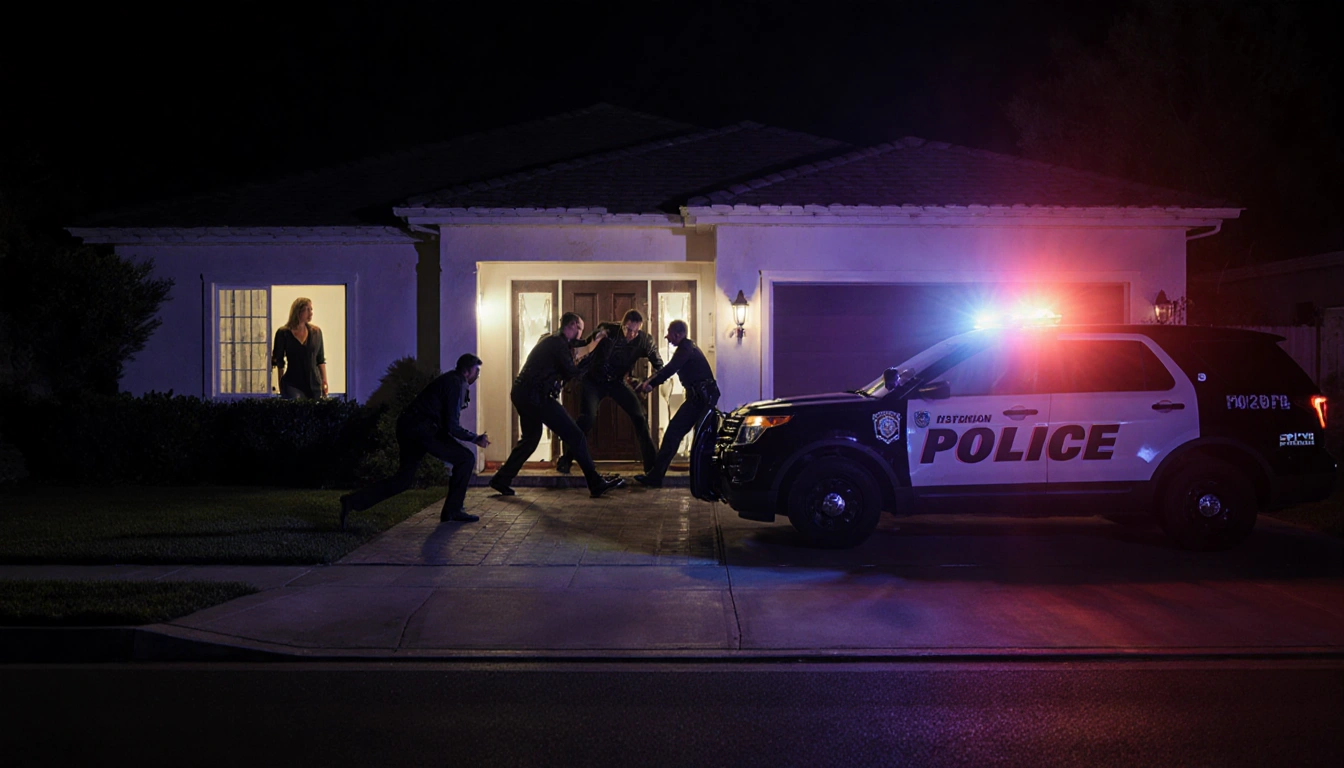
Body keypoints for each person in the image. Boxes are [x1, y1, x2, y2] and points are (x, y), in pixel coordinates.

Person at [339, 354, 489, 529]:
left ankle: (351, 502)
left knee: (403, 480)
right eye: (476, 371)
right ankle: (453, 510)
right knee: (466, 458)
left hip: (410, 427)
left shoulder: (450, 380)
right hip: (422, 429)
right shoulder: (456, 383)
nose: (477, 375)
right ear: (466, 371)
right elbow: (452, 426)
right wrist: (475, 438)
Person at [489, 312, 625, 499]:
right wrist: (593, 356)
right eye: (580, 329)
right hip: (537, 397)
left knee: (530, 439)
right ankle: (595, 482)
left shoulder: (554, 340)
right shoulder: (557, 344)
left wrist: (595, 338)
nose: (580, 335)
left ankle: (501, 479)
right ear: (571, 326)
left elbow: (580, 344)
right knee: (575, 435)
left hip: (524, 394)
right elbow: (573, 372)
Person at [555, 309, 664, 476]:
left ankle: (652, 468)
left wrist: (647, 382)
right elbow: (584, 344)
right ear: (622, 325)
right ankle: (566, 459)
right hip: (593, 380)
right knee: (587, 418)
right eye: (628, 329)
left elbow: (659, 366)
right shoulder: (608, 330)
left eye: (636, 330)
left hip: (616, 382)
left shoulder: (644, 340)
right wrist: (595, 338)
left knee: (639, 416)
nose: (631, 334)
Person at [635, 319, 719, 488]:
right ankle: (704, 479)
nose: (667, 337)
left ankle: (657, 476)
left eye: (670, 333)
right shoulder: (687, 348)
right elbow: (668, 369)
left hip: (700, 399)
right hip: (702, 397)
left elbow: (670, 369)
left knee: (676, 432)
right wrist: (648, 381)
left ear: (678, 334)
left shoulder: (685, 349)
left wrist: (651, 384)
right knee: (700, 438)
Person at [271, 297, 327, 399]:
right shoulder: (284, 333)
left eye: (311, 309)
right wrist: (281, 385)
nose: (310, 313)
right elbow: (279, 361)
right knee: (297, 408)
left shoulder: (316, 332)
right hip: (293, 382)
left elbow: (320, 359)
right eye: (307, 309)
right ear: (298, 311)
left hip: (313, 383)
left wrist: (324, 381)